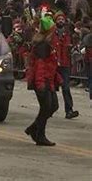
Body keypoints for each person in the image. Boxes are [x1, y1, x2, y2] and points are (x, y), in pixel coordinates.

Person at [25, 16, 61, 146]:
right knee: (46, 107)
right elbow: (40, 67)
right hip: (42, 81)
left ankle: (34, 129)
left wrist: (57, 79)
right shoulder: (43, 46)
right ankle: (39, 134)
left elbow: (51, 66)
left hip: (49, 80)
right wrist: (40, 84)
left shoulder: (49, 44)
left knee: (53, 106)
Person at [53, 12, 79, 119]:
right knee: (51, 88)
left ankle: (69, 110)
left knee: (66, 88)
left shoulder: (69, 34)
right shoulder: (51, 33)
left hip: (65, 64)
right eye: (59, 19)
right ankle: (50, 108)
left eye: (62, 19)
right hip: (53, 64)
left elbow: (72, 47)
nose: (61, 21)